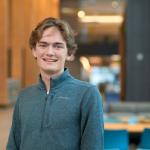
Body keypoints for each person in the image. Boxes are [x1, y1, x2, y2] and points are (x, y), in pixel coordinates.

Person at [7, 17, 104, 150]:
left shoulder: (87, 94)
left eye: (58, 46)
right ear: (34, 50)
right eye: (43, 45)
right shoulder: (24, 96)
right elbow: (13, 145)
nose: (50, 52)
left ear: (69, 53)